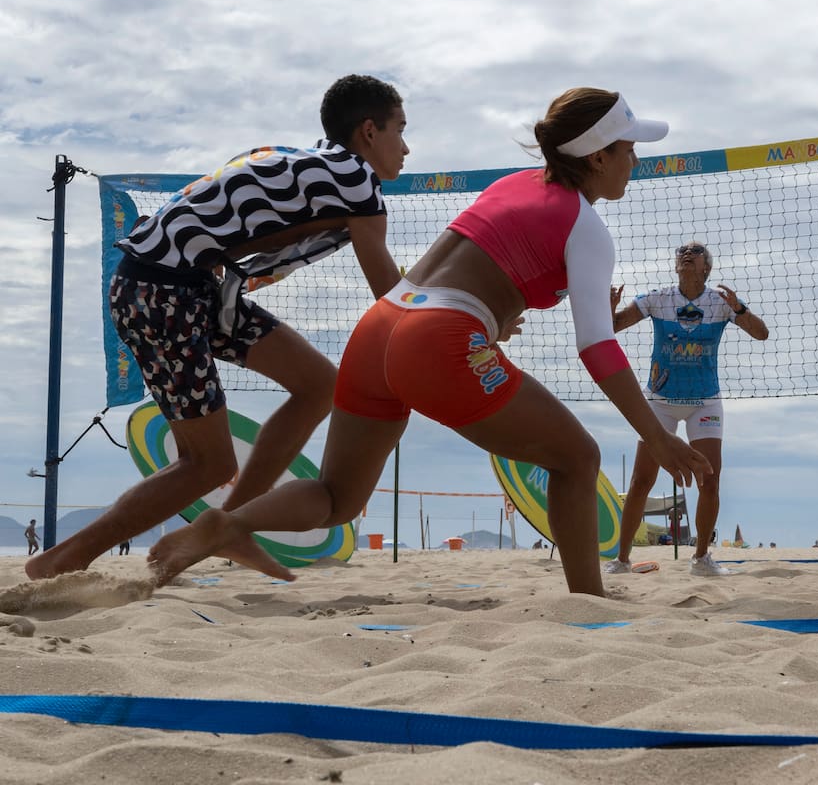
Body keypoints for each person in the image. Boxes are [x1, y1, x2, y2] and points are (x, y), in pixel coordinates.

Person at [148, 88, 711, 597]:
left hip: (381, 326)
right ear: (597, 157)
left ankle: (225, 523)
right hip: (437, 339)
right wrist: (654, 435)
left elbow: (479, 274)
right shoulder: (586, 228)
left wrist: (486, 324)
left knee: (336, 497)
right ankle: (589, 603)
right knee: (578, 457)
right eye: (629, 148)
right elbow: (597, 347)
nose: (636, 160)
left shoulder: (512, 185)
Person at [26, 75, 408, 582]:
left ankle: (228, 527)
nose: (406, 148)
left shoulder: (307, 162)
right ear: (368, 131)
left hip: (193, 289)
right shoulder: (356, 179)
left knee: (319, 386)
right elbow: (392, 296)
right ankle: (60, 561)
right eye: (400, 130)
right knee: (205, 464)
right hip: (162, 289)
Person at [604, 241, 769, 577]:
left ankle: (701, 558)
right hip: (661, 400)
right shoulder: (657, 298)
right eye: (681, 254)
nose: (686, 256)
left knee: (710, 479)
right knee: (641, 481)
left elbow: (762, 334)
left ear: (706, 268)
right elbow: (613, 326)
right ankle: (621, 560)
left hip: (704, 401)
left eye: (695, 254)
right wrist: (608, 309)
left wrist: (739, 309)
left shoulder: (720, 303)